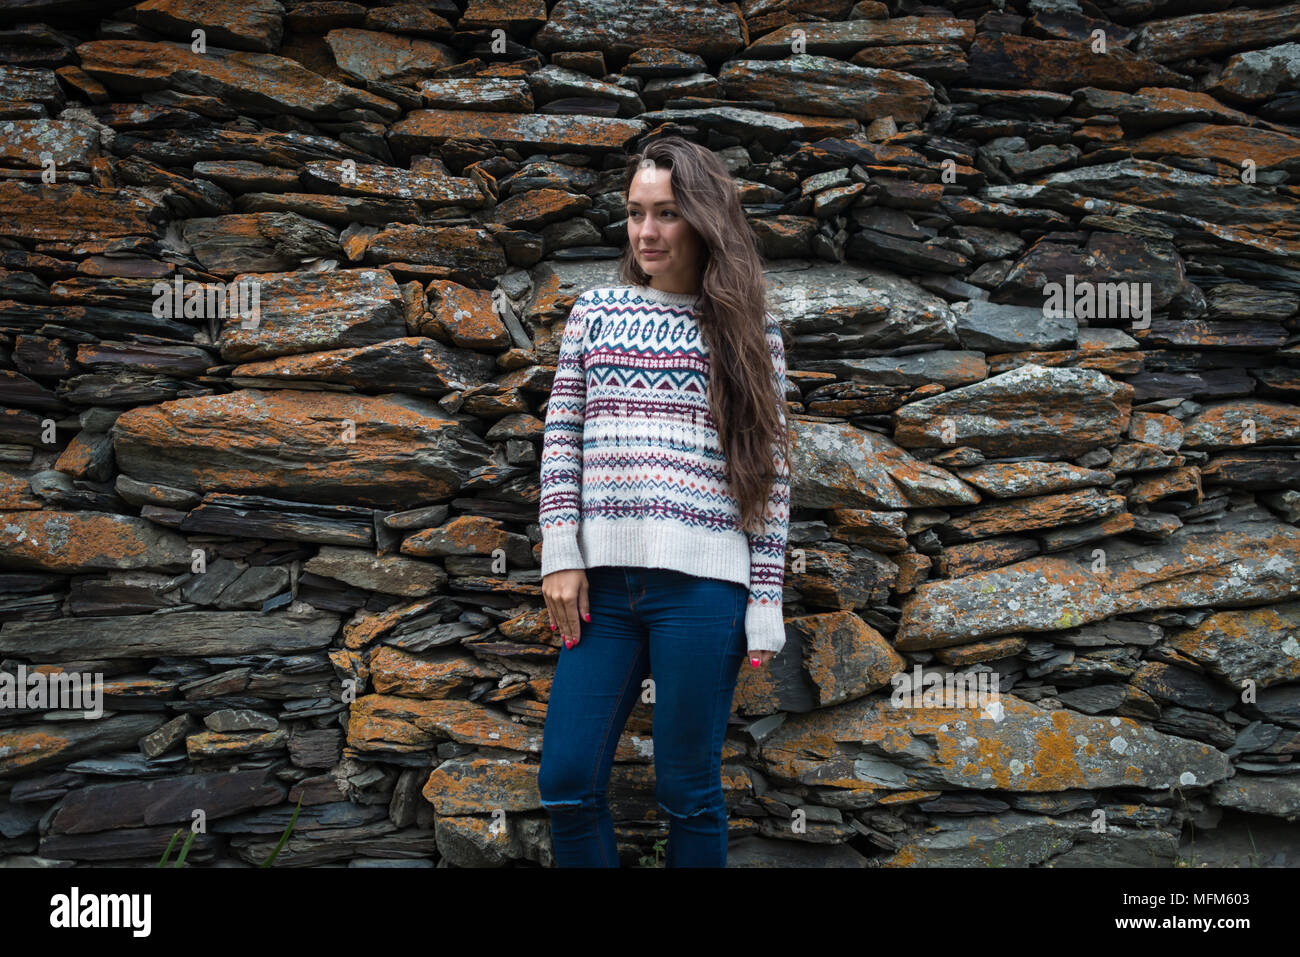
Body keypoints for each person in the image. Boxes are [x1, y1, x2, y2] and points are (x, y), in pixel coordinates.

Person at [535, 136, 792, 867]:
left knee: (689, 789)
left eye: (667, 214)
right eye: (635, 213)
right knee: (565, 780)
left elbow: (770, 478)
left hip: (706, 591)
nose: (646, 232)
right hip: (601, 590)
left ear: (705, 221)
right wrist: (561, 554)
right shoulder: (597, 312)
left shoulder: (749, 335)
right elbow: (562, 436)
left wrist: (763, 599)